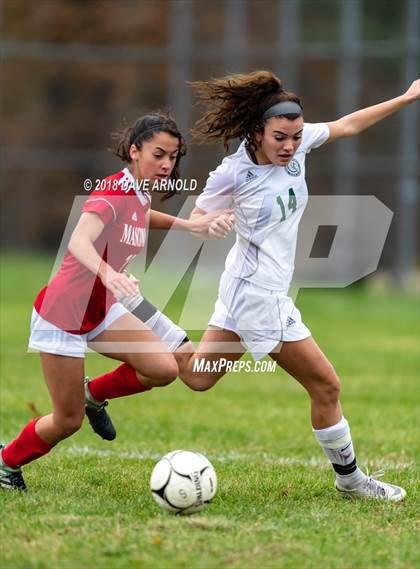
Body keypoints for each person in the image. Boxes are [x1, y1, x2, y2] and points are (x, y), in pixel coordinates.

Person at [74, 72, 419, 502]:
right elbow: (199, 217)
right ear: (256, 133)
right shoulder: (233, 173)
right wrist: (210, 222)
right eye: (280, 138)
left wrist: (406, 98)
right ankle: (351, 481)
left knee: (198, 378)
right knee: (327, 385)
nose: (290, 146)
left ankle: (101, 382)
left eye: (295, 137)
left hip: (244, 291)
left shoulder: (298, 144)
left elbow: (347, 125)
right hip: (259, 298)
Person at [0, 112, 233, 492]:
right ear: (134, 150)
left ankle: (95, 394)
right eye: (158, 154)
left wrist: (190, 226)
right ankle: (5, 463)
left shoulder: (138, 191)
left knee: (163, 369)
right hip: (64, 315)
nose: (166, 164)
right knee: (66, 420)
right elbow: (79, 240)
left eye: (173, 157)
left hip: (100, 310)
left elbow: (140, 216)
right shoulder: (113, 191)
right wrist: (108, 273)